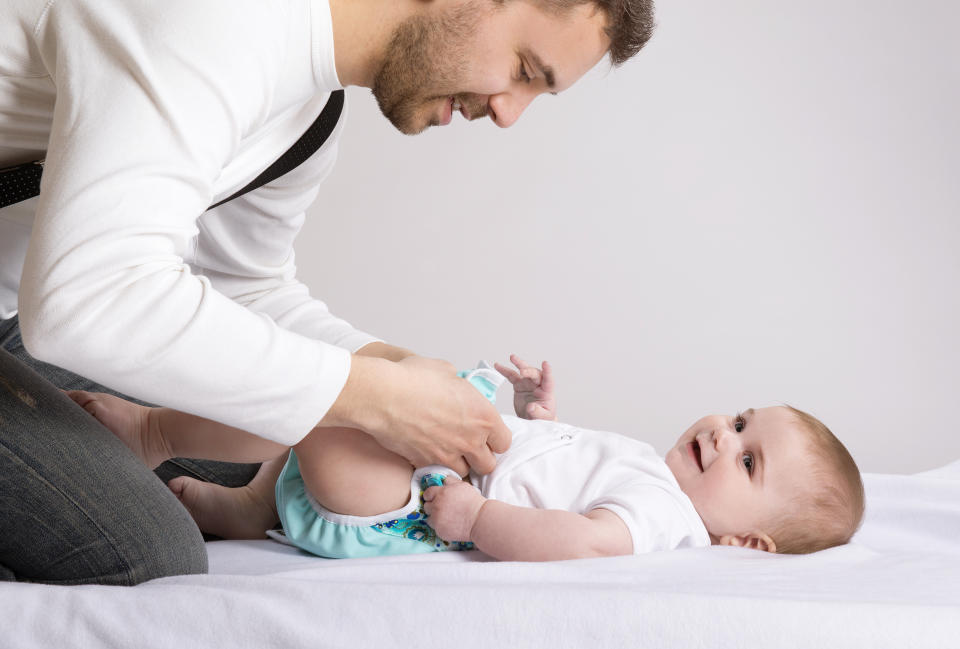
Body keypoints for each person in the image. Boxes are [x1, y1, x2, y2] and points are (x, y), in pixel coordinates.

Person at [0, 0, 656, 583]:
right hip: (52, 309)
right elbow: (85, 297)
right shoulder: (212, 17)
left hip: (19, 316)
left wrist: (394, 368)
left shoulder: (309, 116)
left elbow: (247, 285)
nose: (511, 113)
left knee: (269, 458)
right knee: (143, 546)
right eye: (524, 68)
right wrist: (367, 394)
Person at [69, 356, 866, 559]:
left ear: (749, 541)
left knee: (329, 406)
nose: (723, 435)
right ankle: (241, 509)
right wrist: (536, 420)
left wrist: (480, 515)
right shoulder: (652, 476)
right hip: (420, 480)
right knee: (359, 403)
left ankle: (157, 433)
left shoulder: (663, 520)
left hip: (409, 514)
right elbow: (560, 473)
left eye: (749, 460)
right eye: (737, 419)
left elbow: (581, 538)